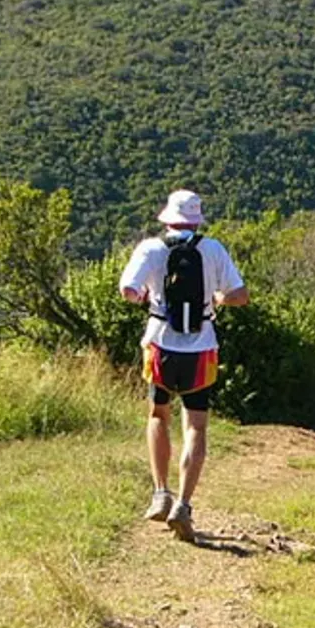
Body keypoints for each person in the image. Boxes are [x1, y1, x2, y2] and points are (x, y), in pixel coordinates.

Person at [118, 189, 249, 543]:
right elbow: (240, 295)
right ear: (196, 219)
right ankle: (184, 504)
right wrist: (218, 298)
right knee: (196, 427)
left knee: (158, 415)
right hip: (202, 348)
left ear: (167, 219)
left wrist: (144, 296)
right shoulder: (213, 249)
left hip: (160, 343)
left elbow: (127, 289)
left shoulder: (150, 248)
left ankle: (160, 492)